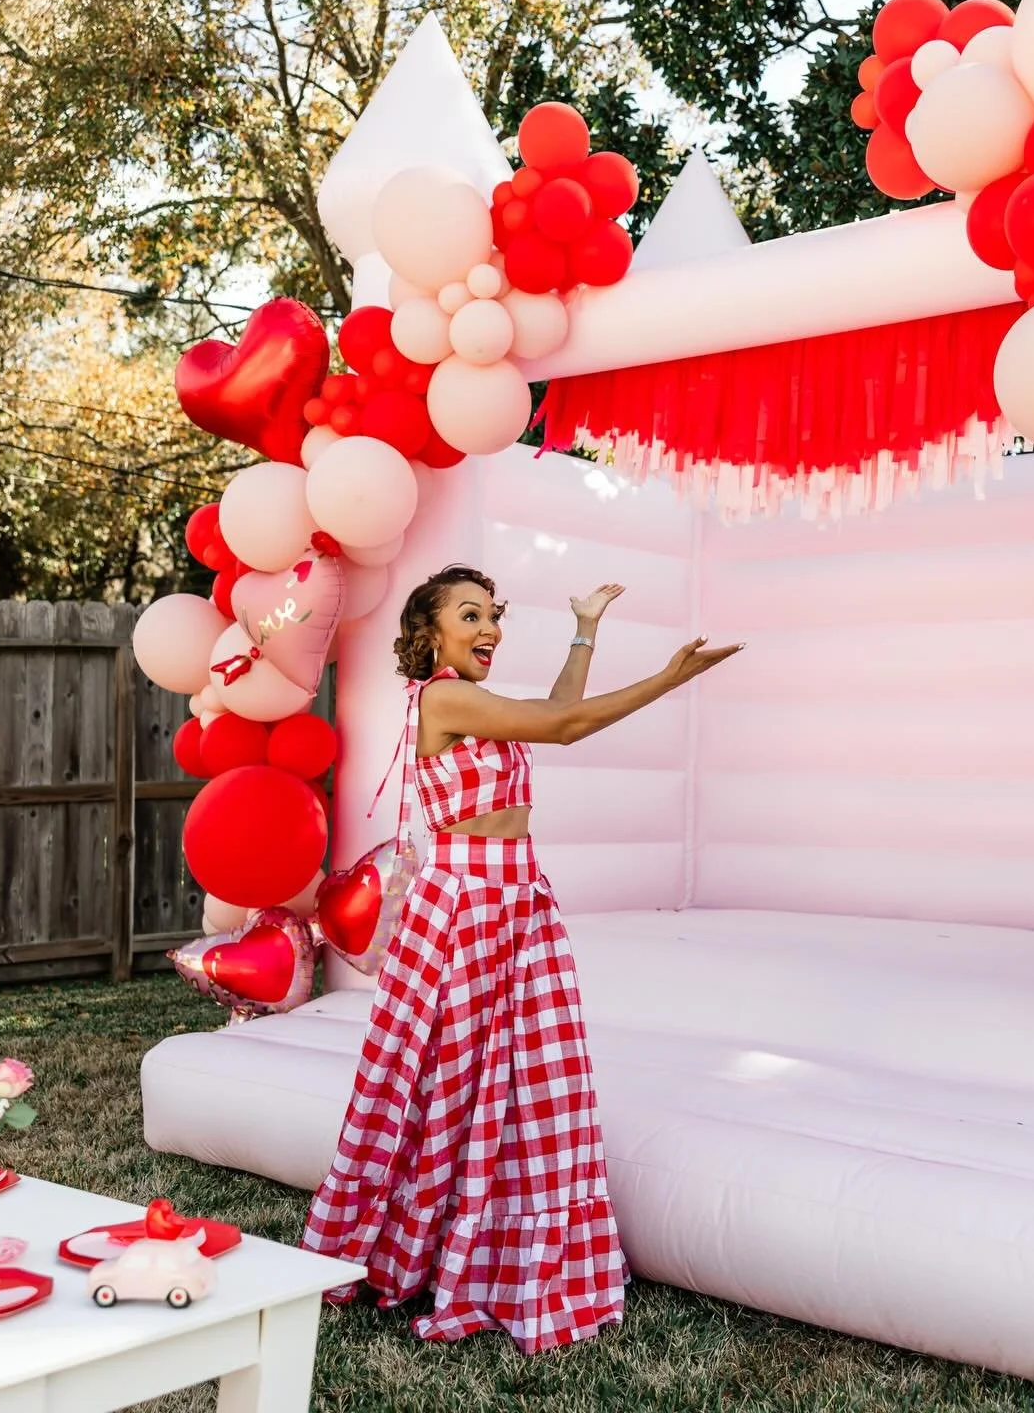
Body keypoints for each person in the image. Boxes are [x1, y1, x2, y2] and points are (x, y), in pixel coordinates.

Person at [302, 564, 743, 1353]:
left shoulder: (481, 706)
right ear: (430, 632)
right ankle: (413, 1246)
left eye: (495, 616)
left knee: (529, 1085)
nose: (491, 630)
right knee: (445, 1081)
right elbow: (565, 727)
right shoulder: (442, 697)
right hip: (463, 907)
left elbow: (557, 711)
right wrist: (670, 678)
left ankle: (495, 1256)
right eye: (470, 615)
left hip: (517, 899)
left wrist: (584, 628)